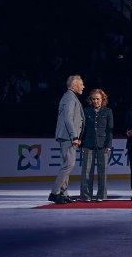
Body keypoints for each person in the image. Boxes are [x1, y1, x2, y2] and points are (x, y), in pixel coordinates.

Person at [48, 74, 85, 204]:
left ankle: (63, 193)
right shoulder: (70, 98)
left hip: (66, 135)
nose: (83, 86)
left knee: (67, 164)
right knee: (68, 165)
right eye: (81, 84)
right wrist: (74, 136)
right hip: (67, 136)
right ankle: (55, 192)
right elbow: (68, 118)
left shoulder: (70, 97)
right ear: (74, 86)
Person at [79, 88, 113, 202]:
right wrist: (81, 144)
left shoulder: (108, 111)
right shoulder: (86, 111)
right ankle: (86, 196)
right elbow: (82, 128)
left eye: (98, 99)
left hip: (103, 145)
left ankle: (101, 196)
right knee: (86, 172)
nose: (95, 101)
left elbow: (109, 130)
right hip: (88, 144)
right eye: (93, 99)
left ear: (102, 99)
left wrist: (109, 145)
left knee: (102, 172)